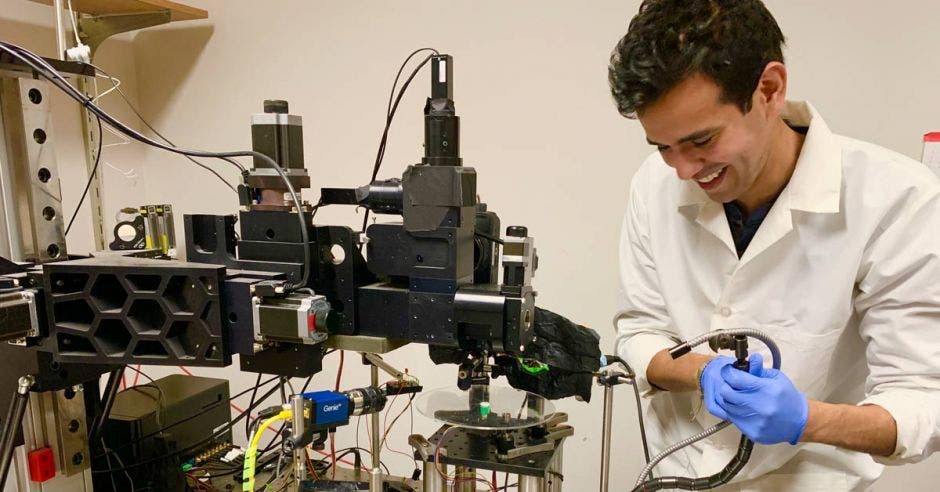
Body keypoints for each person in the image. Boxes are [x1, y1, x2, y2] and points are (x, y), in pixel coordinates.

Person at [609, 0, 940, 489]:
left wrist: (807, 419)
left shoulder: (898, 200)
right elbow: (639, 331)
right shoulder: (653, 185)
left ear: (769, 89)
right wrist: (704, 373)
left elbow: (922, 401)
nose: (682, 170)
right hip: (674, 477)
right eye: (663, 147)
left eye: (702, 140)